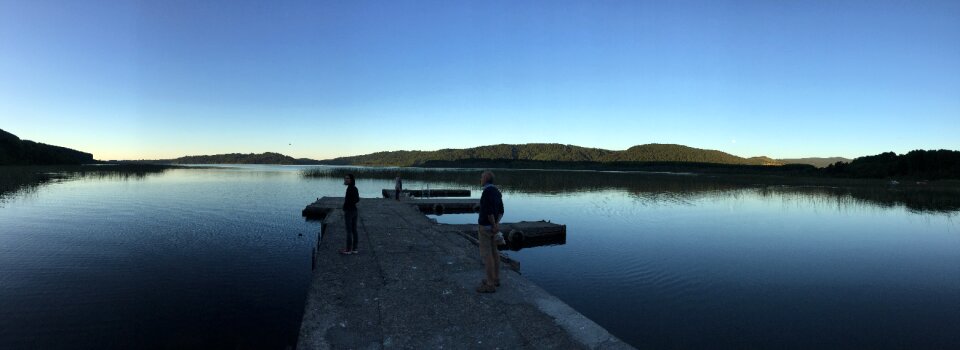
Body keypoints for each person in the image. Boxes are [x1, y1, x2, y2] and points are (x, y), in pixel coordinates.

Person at [476, 170, 504, 293]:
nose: (480, 179)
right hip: (493, 227)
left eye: (482, 177)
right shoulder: (497, 192)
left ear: (486, 179)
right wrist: (497, 224)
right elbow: (501, 210)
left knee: (487, 255)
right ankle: (496, 279)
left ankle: (490, 284)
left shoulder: (487, 192)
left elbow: (489, 212)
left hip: (486, 228)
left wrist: (493, 224)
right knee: (494, 253)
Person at [340, 174, 360, 255]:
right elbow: (357, 199)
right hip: (354, 211)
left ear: (351, 179)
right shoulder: (354, 188)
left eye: (348, 178)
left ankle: (348, 250)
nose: (346, 179)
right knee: (354, 230)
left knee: (349, 231)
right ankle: (354, 249)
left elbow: (354, 200)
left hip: (349, 211)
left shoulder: (351, 188)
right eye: (345, 178)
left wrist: (346, 206)